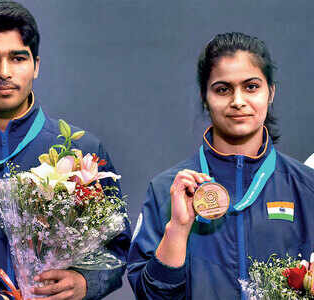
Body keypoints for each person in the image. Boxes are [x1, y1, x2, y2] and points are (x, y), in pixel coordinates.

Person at [0, 1, 130, 299]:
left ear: (36, 65)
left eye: (17, 58)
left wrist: (85, 283)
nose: (4, 72)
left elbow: (118, 250)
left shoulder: (79, 151)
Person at [127, 32, 314, 299]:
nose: (237, 101)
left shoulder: (307, 187)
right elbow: (150, 296)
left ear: (270, 92)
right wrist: (178, 229)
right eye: (222, 89)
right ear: (205, 97)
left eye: (251, 87)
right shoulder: (167, 190)